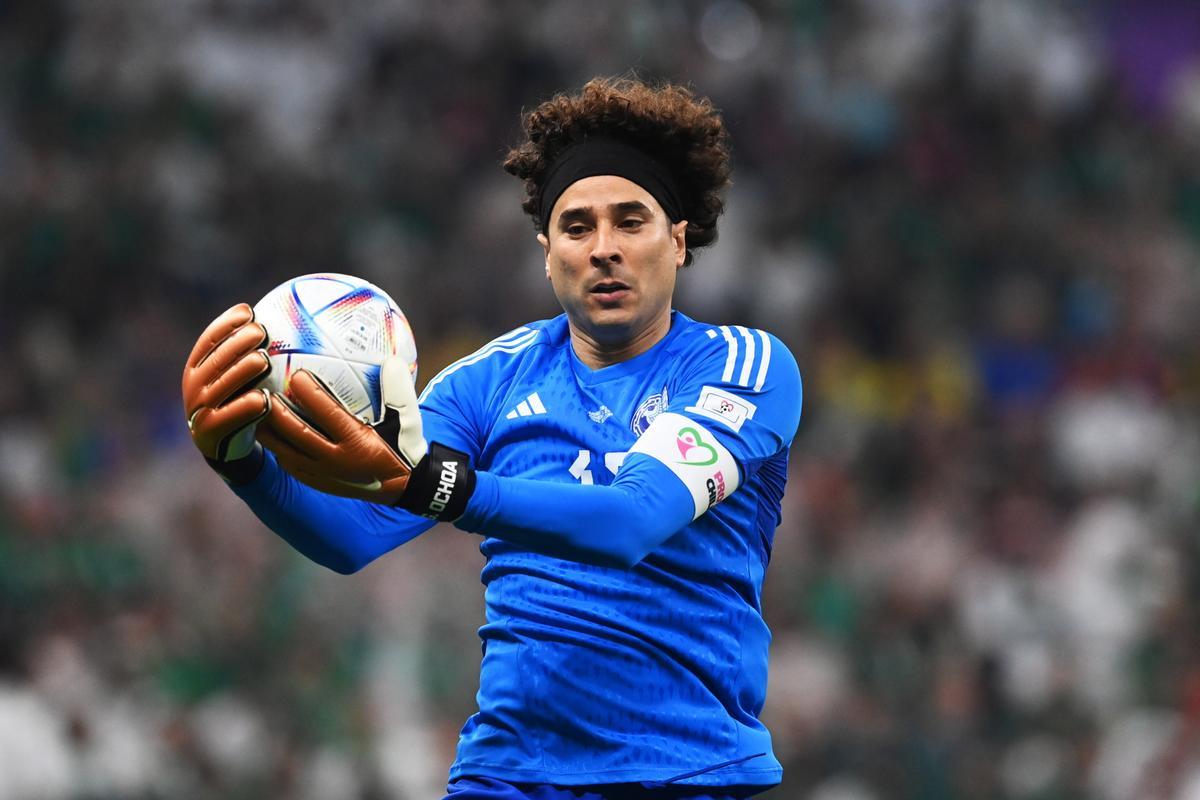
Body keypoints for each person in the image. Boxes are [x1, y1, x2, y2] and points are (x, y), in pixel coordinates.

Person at [181, 77, 802, 800]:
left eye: (631, 222)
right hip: (507, 775)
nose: (603, 249)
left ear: (680, 240)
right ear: (546, 252)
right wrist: (242, 465)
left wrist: (438, 486)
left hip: (683, 774)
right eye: (577, 227)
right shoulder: (489, 381)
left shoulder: (742, 365)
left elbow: (633, 519)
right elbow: (355, 533)